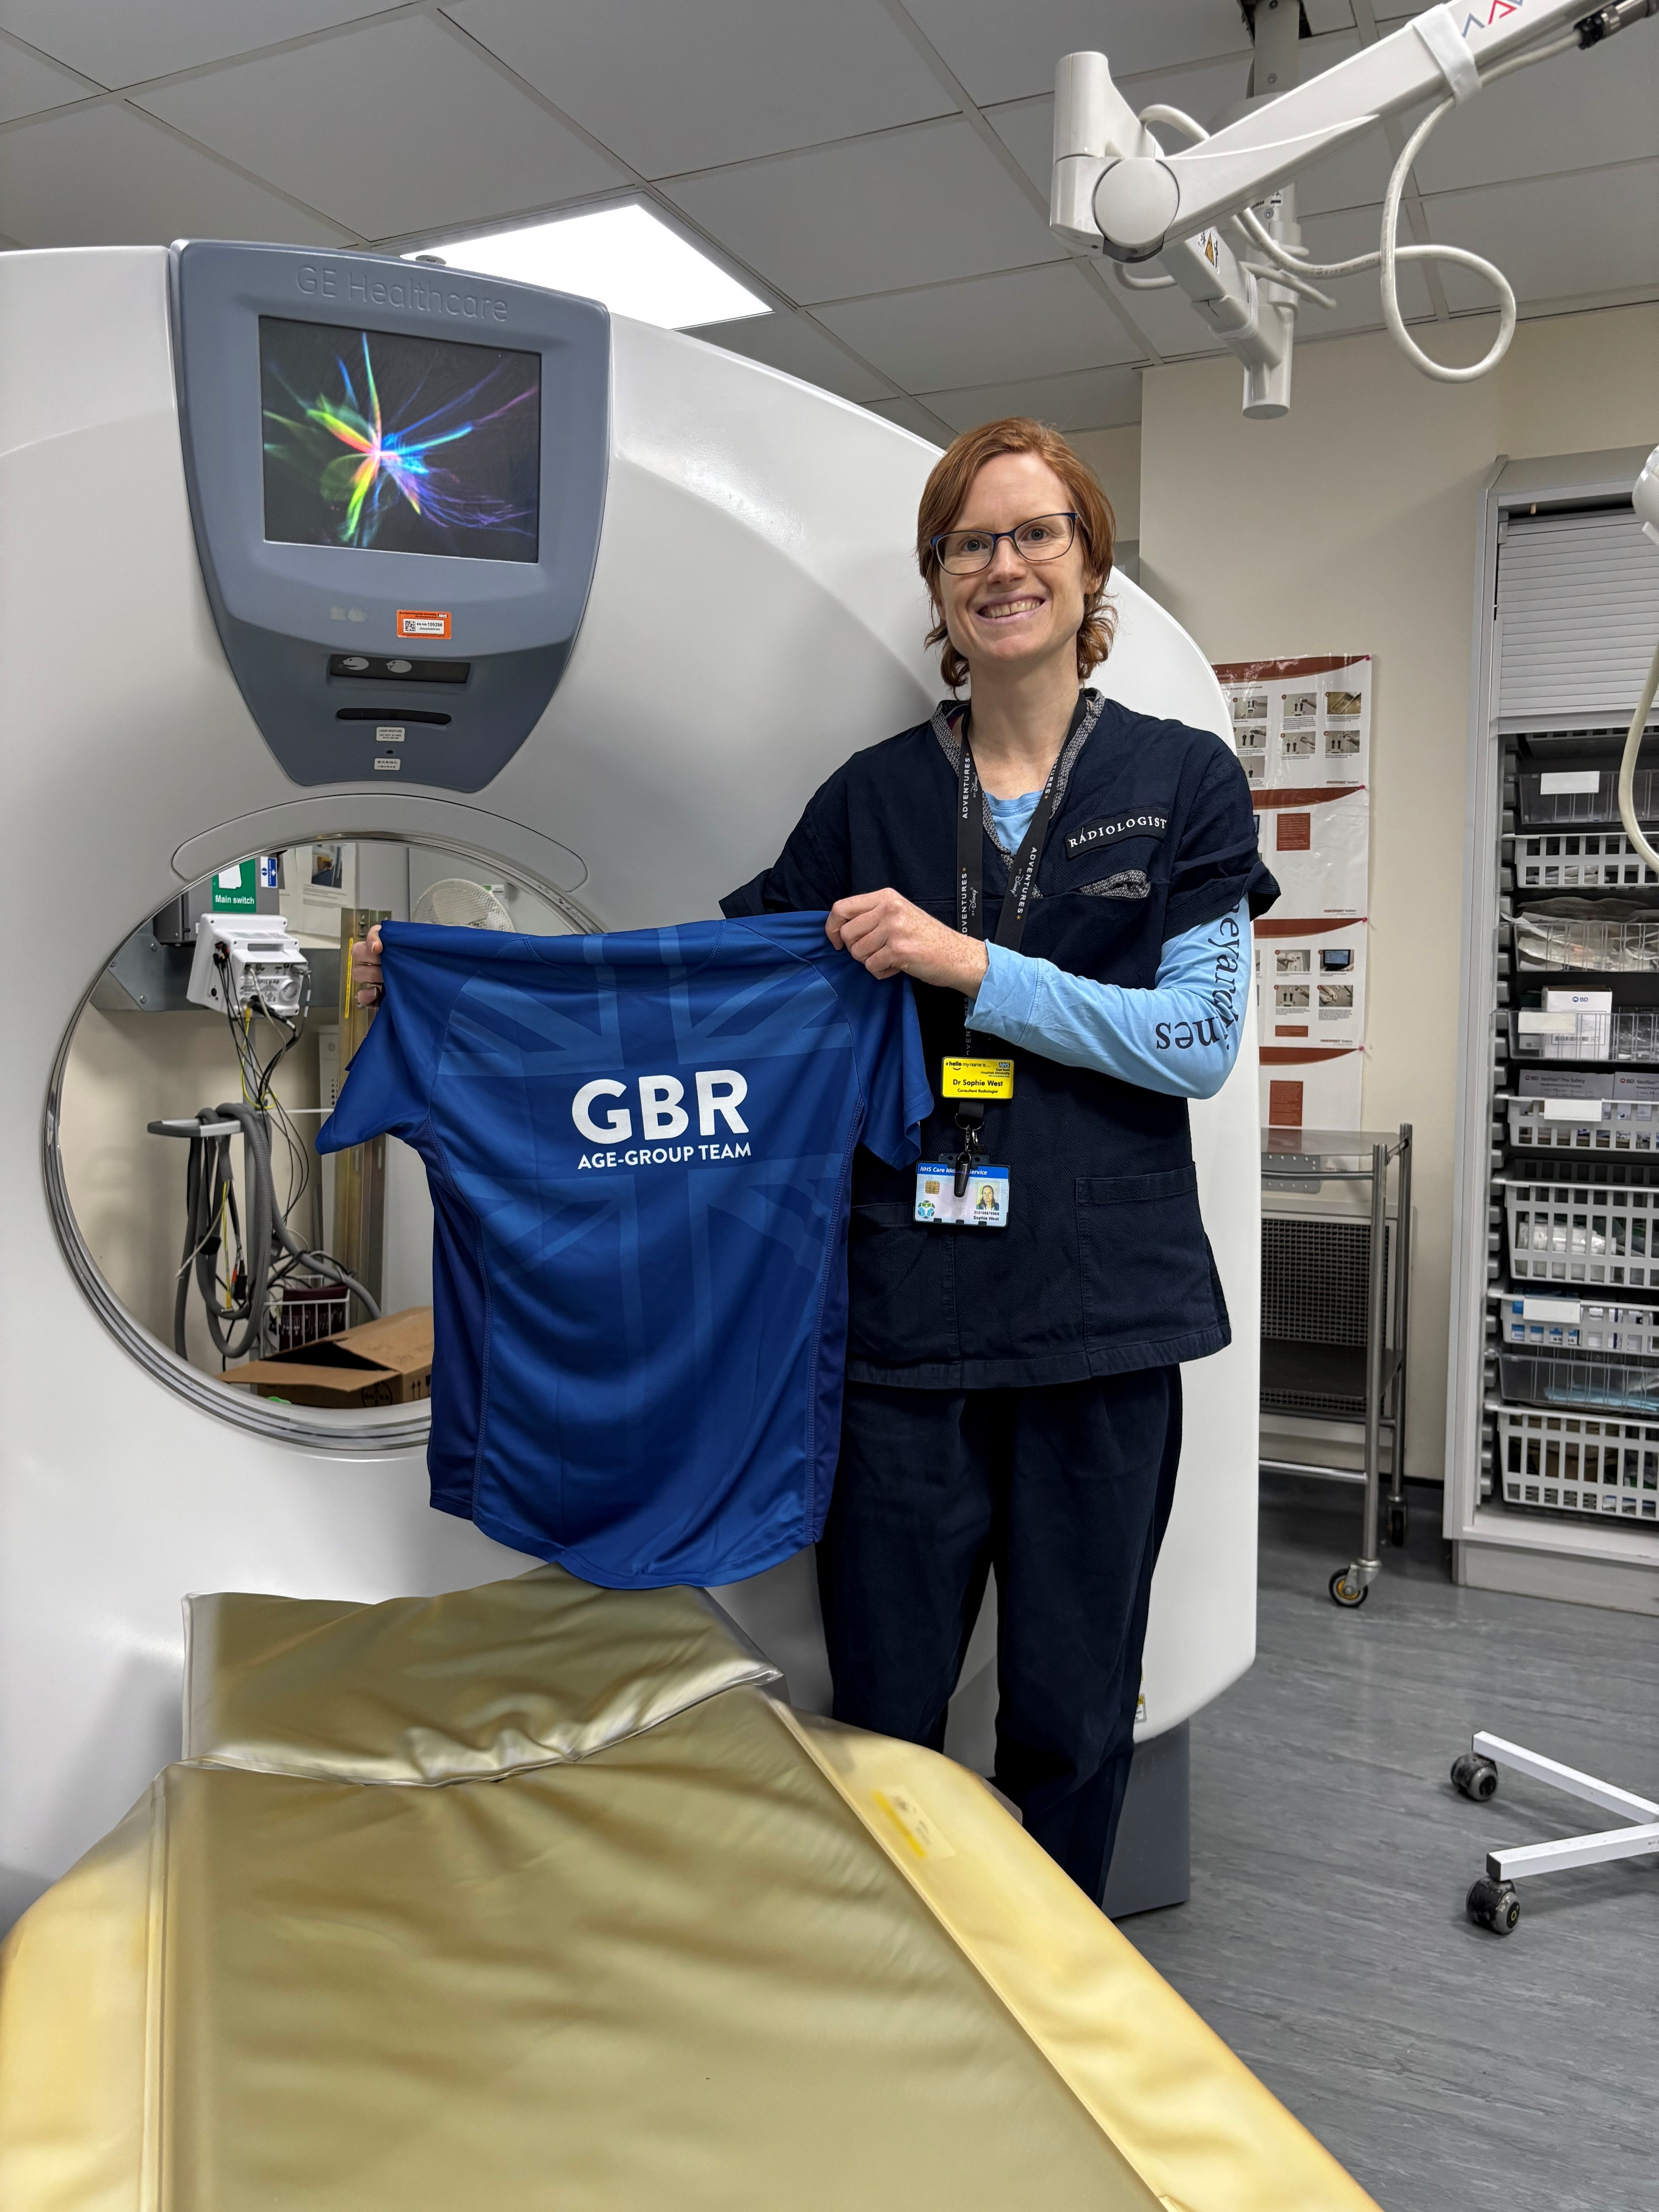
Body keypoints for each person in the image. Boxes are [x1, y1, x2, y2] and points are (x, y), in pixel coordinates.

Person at [721, 418, 1278, 1901]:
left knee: (1070, 1705)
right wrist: (476, 980)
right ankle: (890, 1973)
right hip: (912, 1314)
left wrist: (961, 961)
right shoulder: (871, 797)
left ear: (1089, 569)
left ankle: (1061, 1984)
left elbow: (1196, 1040)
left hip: (1100, 1319)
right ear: (939, 583)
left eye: (1035, 533)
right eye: (969, 541)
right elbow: (728, 985)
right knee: (888, 1701)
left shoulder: (1182, 783)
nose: (1003, 564)